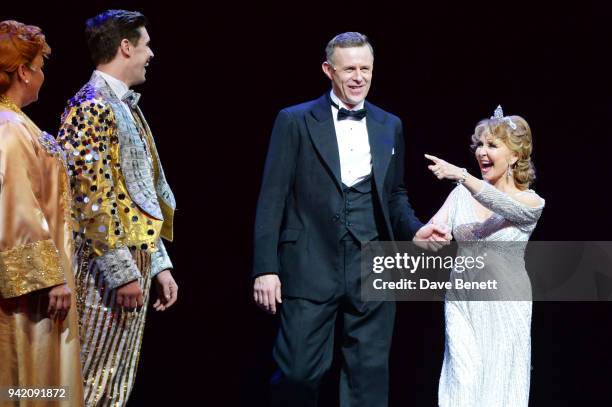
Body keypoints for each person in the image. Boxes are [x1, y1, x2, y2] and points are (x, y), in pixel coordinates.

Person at [252, 32, 450, 407]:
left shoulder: (389, 124)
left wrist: (415, 229)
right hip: (310, 260)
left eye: (365, 69)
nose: (359, 77)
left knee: (368, 375)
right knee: (297, 372)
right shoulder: (294, 120)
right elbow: (271, 197)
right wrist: (266, 267)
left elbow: (394, 194)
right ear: (329, 70)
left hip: (372, 262)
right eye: (350, 69)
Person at [57, 10, 177, 406]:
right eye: (145, 43)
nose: (151, 53)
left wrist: (159, 264)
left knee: (115, 382)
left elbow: (137, 194)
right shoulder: (91, 105)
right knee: (91, 377)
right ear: (126, 46)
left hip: (132, 260)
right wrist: (122, 273)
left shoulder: (124, 105)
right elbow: (90, 198)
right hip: (102, 270)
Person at [423, 106, 545, 407]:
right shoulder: (461, 193)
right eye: (479, 144)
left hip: (505, 305)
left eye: (492, 145)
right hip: (461, 301)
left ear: (515, 156)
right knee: (462, 381)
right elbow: (433, 228)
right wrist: (425, 236)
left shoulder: (530, 201)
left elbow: (498, 202)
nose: (481, 152)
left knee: (498, 383)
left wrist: (461, 175)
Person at [0, 20, 84, 405]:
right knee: (27, 380)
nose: (42, 75)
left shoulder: (17, 122)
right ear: (23, 71)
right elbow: (17, 206)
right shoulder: (9, 128)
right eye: (39, 65)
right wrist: (52, 280)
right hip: (31, 293)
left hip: (44, 281)